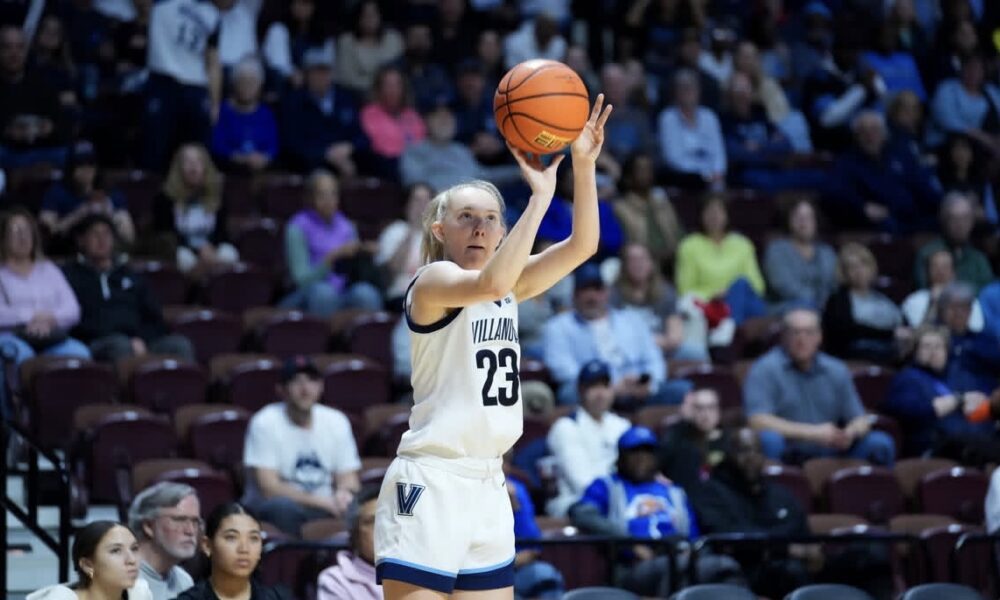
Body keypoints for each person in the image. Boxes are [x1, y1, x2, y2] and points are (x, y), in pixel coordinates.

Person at [375, 96, 612, 598]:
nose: (481, 227)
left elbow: (583, 245)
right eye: (466, 217)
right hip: (433, 476)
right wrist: (538, 198)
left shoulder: (505, 288)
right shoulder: (432, 280)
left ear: (503, 231)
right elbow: (492, 282)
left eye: (490, 218)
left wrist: (584, 164)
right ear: (440, 229)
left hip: (488, 481)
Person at [568, 426, 743, 597]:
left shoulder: (673, 491)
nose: (641, 458)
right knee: (673, 568)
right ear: (621, 457)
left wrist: (691, 552)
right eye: (634, 452)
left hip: (677, 555)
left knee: (726, 567)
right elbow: (582, 514)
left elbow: (693, 535)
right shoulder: (607, 486)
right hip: (632, 566)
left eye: (648, 452)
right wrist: (631, 543)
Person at [745, 308, 896, 465]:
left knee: (880, 443)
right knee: (769, 440)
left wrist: (850, 433)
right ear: (783, 336)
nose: (802, 339)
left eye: (809, 333)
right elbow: (757, 420)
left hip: (832, 448)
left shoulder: (836, 369)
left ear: (819, 336)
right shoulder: (764, 369)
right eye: (795, 332)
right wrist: (812, 433)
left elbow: (859, 419)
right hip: (790, 449)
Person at [242, 355, 361, 537]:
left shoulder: (337, 420)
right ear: (281, 390)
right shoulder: (265, 422)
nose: (305, 389)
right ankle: (294, 555)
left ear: (321, 386)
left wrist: (344, 493)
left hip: (326, 506)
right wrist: (325, 502)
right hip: (278, 507)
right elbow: (269, 487)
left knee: (367, 504)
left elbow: (349, 477)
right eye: (296, 381)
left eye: (311, 380)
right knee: (282, 508)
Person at [542, 262, 690, 407]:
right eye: (585, 290)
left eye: (597, 289)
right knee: (568, 393)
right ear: (574, 295)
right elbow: (562, 369)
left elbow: (653, 358)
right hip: (595, 390)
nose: (592, 296)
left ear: (607, 292)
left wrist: (649, 384)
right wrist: (609, 387)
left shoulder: (631, 319)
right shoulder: (558, 326)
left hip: (638, 388)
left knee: (683, 389)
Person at [688, 428, 811, 599]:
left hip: (784, 563)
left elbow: (800, 529)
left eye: (757, 451)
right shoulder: (711, 492)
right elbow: (729, 535)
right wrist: (783, 548)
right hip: (742, 570)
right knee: (792, 571)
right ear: (729, 455)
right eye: (743, 451)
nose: (751, 457)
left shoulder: (779, 494)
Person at [62, 214, 196, 363]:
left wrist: (142, 339)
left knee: (179, 345)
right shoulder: (70, 277)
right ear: (81, 240)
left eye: (106, 234)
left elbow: (154, 318)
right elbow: (73, 320)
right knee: (120, 345)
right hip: (97, 342)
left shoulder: (130, 275)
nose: (102, 239)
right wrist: (123, 339)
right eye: (95, 234)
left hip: (138, 341)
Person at [0, 209, 90, 418]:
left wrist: (50, 319)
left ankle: (66, 419)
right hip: (12, 337)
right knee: (22, 357)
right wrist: (30, 317)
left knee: (80, 353)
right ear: (3, 238)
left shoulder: (49, 270)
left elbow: (73, 310)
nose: (22, 236)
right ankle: (17, 422)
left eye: (26, 231)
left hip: (51, 337)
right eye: (15, 231)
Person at [280, 170, 383, 317]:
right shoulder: (297, 227)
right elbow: (301, 280)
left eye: (333, 194)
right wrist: (331, 258)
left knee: (366, 294)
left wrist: (362, 250)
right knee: (324, 293)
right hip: (307, 292)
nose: (329, 200)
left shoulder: (346, 225)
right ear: (310, 198)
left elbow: (352, 270)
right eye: (322, 195)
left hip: (342, 291)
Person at [883, 325, 995, 458]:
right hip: (933, 446)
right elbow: (912, 411)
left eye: (938, 347)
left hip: (974, 439)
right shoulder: (908, 378)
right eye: (927, 347)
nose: (933, 352)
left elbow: (982, 401)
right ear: (915, 351)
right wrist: (958, 400)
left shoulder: (960, 375)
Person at [140, 0, 224, 170]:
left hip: (196, 85)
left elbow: (213, 61)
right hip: (163, 79)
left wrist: (215, 103)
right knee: (155, 148)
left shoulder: (212, 14)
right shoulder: (161, 3)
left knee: (197, 153)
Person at [826, 110, 941, 234]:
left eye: (874, 130)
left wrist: (942, 203)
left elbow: (920, 183)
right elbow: (834, 190)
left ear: (883, 133)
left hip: (916, 215)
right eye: (863, 132)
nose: (870, 136)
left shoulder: (899, 153)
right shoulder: (846, 162)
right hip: (884, 223)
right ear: (856, 136)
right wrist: (862, 206)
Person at [545, 359, 631, 517]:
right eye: (593, 387)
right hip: (578, 501)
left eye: (605, 386)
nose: (600, 394)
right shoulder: (566, 427)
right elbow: (581, 482)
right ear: (580, 390)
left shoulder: (622, 425)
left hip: (621, 499)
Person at [674, 193, 767, 325]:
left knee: (741, 285)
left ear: (727, 215)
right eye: (709, 212)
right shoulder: (689, 246)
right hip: (709, 304)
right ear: (701, 215)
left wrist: (731, 293)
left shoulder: (742, 244)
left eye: (719, 212)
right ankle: (733, 326)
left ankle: (731, 325)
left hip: (743, 300)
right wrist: (714, 294)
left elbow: (758, 286)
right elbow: (685, 290)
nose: (714, 217)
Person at [279, 45, 367, 176]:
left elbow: (362, 137)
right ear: (307, 74)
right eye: (316, 72)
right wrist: (325, 154)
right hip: (310, 167)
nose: (321, 76)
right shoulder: (294, 102)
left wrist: (349, 147)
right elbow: (292, 144)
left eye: (325, 71)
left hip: (348, 161)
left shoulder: (346, 98)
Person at [611, 242, 707, 361]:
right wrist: (655, 341)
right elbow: (613, 335)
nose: (638, 264)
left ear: (651, 263)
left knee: (698, 354)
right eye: (632, 260)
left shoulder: (666, 292)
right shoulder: (613, 294)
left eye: (642, 259)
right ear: (624, 266)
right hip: (627, 352)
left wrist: (647, 341)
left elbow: (675, 338)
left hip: (664, 350)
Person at [153, 143, 239, 274]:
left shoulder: (217, 196)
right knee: (184, 258)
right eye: (187, 162)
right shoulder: (165, 198)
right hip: (181, 248)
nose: (193, 167)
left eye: (198, 161)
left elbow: (222, 232)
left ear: (206, 167)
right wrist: (196, 249)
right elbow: (165, 234)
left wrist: (210, 248)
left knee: (229, 253)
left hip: (210, 248)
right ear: (178, 168)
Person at [177, 503, 290, 600]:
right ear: (207, 546)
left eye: (253, 538)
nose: (244, 549)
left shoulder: (278, 597)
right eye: (231, 537)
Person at [39, 140, 135, 249]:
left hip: (107, 252)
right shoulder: (56, 193)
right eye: (80, 165)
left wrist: (109, 212)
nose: (86, 169)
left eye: (90, 164)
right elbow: (47, 234)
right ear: (70, 168)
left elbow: (129, 237)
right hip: (68, 250)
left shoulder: (112, 193)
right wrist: (81, 213)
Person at [822, 243, 908, 365]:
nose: (859, 271)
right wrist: (890, 333)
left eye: (863, 265)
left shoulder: (882, 298)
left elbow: (902, 323)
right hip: (857, 355)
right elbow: (847, 331)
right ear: (844, 273)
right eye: (852, 267)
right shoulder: (838, 300)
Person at [0, 25, 69, 169]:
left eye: (19, 47)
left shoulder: (41, 83)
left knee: (66, 155)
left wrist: (49, 128)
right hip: (6, 151)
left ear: (26, 51)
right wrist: (8, 132)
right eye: (7, 47)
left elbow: (61, 124)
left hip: (38, 150)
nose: (14, 53)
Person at [28, 520, 152, 600]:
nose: (131, 560)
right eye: (115, 551)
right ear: (87, 565)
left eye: (134, 549)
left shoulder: (139, 594)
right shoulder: (60, 598)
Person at [763, 195, 838, 312]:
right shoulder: (777, 249)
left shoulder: (827, 252)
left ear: (816, 221)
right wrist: (818, 302)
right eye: (798, 217)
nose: (803, 222)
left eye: (808, 217)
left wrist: (827, 304)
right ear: (789, 221)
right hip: (786, 308)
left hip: (823, 308)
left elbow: (833, 285)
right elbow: (783, 286)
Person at [128, 482, 201, 600]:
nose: (190, 531)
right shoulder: (122, 580)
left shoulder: (184, 581)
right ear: (149, 526)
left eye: (195, 521)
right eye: (179, 519)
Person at [612, 152, 683, 271]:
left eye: (649, 169)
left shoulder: (664, 204)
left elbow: (680, 235)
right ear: (628, 177)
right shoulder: (620, 208)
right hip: (639, 267)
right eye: (641, 169)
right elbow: (624, 246)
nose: (646, 174)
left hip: (674, 262)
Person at [657, 69, 727, 190]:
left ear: (699, 90)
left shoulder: (709, 117)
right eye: (684, 88)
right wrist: (703, 175)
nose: (688, 92)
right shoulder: (668, 118)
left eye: (692, 87)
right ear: (676, 92)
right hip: (682, 177)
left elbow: (719, 155)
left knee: (720, 187)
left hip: (711, 178)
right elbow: (673, 159)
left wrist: (716, 172)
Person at [913, 192, 994, 292]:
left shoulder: (979, 259)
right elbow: (922, 292)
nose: (960, 225)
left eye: (965, 218)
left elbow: (988, 293)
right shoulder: (927, 254)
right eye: (954, 219)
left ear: (972, 222)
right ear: (944, 220)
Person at [209, 55, 278, 173]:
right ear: (234, 83)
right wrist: (240, 158)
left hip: (262, 171)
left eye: (252, 82)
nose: (247, 87)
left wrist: (264, 158)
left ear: (260, 85)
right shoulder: (223, 111)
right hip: (228, 171)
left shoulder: (267, 114)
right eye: (243, 81)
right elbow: (217, 144)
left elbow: (273, 146)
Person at [359, 65, 426, 179]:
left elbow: (421, 144)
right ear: (379, 89)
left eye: (397, 85)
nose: (393, 90)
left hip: (416, 166)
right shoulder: (369, 113)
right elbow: (379, 146)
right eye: (388, 85)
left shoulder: (412, 114)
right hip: (386, 167)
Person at [317, 487, 383, 600]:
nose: (384, 528)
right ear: (354, 533)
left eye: (390, 520)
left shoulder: (414, 573)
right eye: (372, 521)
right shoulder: (336, 581)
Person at [375, 182, 433, 308]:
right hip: (400, 296)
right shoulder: (394, 231)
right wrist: (412, 230)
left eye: (426, 201)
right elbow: (391, 272)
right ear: (407, 204)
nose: (422, 206)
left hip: (432, 299)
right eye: (417, 200)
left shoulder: (439, 235)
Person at [658, 389, 728, 489]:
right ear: (691, 411)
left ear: (719, 410)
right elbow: (656, 467)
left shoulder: (730, 440)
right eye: (699, 408)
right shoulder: (677, 437)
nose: (705, 414)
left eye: (711, 407)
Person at [903, 249, 985, 330]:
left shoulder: (968, 300)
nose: (940, 271)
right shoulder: (914, 300)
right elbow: (919, 333)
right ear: (928, 272)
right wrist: (933, 303)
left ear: (954, 272)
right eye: (935, 266)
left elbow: (976, 328)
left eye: (945, 267)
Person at [334, 0, 403, 95]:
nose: (370, 19)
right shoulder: (346, 41)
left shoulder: (393, 39)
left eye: (374, 15)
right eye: (365, 15)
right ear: (358, 18)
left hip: (393, 93)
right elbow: (346, 78)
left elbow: (400, 71)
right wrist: (377, 88)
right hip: (356, 94)